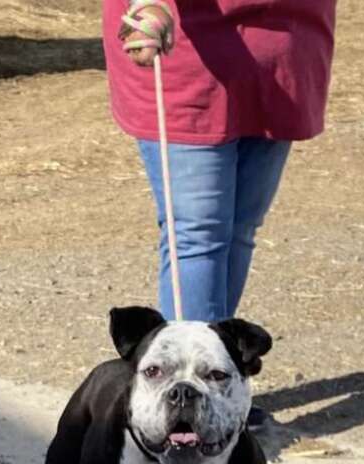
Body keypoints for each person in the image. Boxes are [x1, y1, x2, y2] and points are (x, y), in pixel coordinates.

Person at [102, 0, 336, 425]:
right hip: (189, 53)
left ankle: (216, 394)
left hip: (283, 50)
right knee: (198, 236)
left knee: (240, 229)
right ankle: (189, 407)